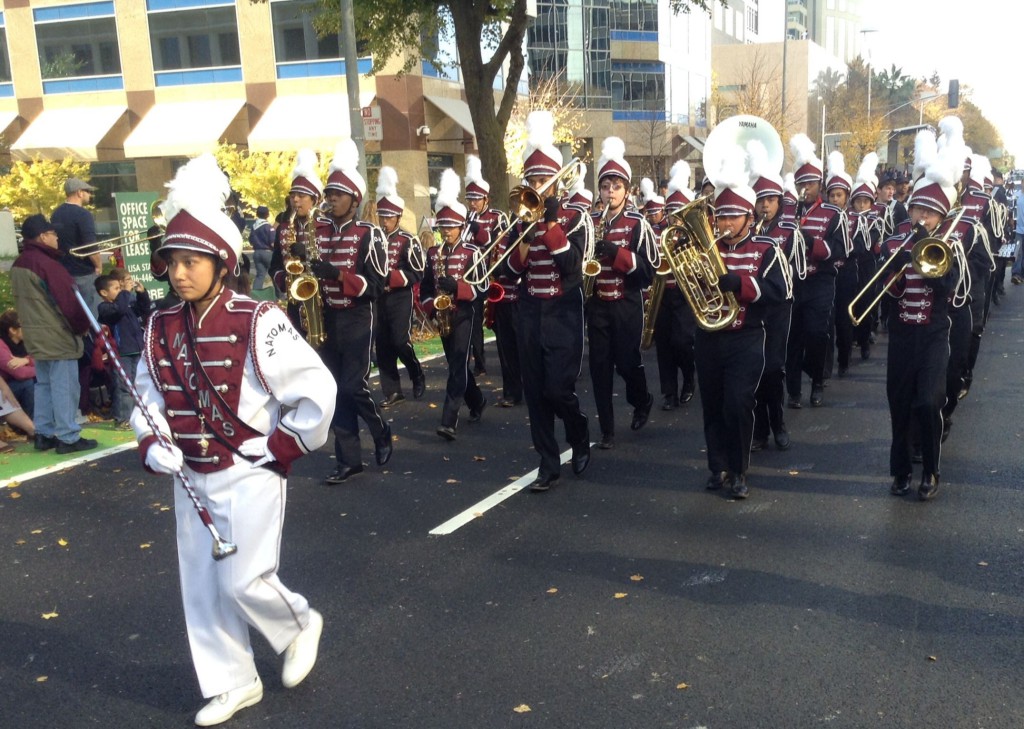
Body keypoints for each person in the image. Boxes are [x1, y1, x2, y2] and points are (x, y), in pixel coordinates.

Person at [129, 154, 336, 726]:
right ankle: (233, 680)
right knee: (202, 585)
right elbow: (147, 396)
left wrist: (285, 446)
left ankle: (298, 623)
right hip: (189, 474)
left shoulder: (257, 318)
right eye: (172, 263)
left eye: (191, 262)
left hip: (249, 466)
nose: (179, 274)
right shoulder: (158, 326)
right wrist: (152, 442)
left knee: (244, 578)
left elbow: (316, 388)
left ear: (220, 262)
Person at [498, 110, 591, 491]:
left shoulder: (576, 217)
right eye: (532, 179)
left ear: (556, 182)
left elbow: (573, 268)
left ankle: (579, 433)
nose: (536, 185)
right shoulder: (520, 220)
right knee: (535, 394)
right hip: (529, 312)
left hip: (563, 312)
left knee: (558, 390)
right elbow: (511, 271)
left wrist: (551, 226)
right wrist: (526, 231)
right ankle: (547, 463)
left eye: (542, 179)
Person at [696, 148, 786, 498]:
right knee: (713, 405)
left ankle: (739, 470)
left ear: (750, 219)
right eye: (722, 217)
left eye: (734, 218)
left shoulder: (766, 250)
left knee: (737, 403)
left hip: (747, 337)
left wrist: (743, 285)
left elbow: (778, 291)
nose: (727, 224)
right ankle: (716, 466)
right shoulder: (707, 251)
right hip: (709, 336)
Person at [305, 139, 393, 483]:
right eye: (328, 194)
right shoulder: (320, 232)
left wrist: (339, 275)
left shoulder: (369, 233)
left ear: (354, 199)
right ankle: (349, 459)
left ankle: (380, 428)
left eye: (337, 195)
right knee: (334, 388)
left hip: (357, 316)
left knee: (353, 385)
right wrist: (304, 259)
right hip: (326, 317)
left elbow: (378, 285)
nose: (330, 200)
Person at [882, 131, 961, 501]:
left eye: (929, 212)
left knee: (929, 401)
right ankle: (900, 471)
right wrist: (894, 266)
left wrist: (933, 265)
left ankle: (930, 469)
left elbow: (953, 291)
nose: (921, 217)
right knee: (899, 402)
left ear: (940, 217)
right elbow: (886, 295)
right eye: (917, 209)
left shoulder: (949, 244)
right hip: (901, 334)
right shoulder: (894, 240)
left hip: (932, 333)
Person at [588, 136, 657, 449]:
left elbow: (648, 271)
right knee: (599, 367)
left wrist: (617, 254)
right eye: (605, 186)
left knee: (627, 364)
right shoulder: (591, 222)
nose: (610, 191)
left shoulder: (637, 223)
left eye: (616, 186)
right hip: (598, 304)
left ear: (626, 191)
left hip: (626, 303)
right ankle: (607, 430)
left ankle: (642, 400)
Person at [10, 214, 97, 454]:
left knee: (44, 384)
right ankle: (68, 436)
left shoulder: (19, 264)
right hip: (56, 334)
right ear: (42, 236)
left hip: (34, 333)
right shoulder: (48, 265)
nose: (57, 237)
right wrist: (82, 326)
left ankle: (44, 433)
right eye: (53, 233)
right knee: (64, 385)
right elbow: (69, 302)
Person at [421, 169, 488, 442]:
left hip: (465, 314)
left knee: (459, 362)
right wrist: (431, 308)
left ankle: (448, 420)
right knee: (456, 365)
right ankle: (477, 401)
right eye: (442, 227)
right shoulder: (433, 253)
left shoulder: (473, 252)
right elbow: (425, 288)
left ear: (461, 226)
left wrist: (457, 289)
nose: (446, 231)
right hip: (443, 316)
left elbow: (482, 288)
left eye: (451, 226)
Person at [786, 134, 848, 408]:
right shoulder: (788, 212)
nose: (805, 188)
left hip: (820, 281)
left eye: (810, 184)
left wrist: (809, 241)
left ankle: (817, 380)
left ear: (819, 185)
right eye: (801, 184)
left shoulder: (833, 214)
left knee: (816, 333)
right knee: (792, 336)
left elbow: (838, 251)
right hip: (793, 281)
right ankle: (794, 391)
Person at [747, 139, 794, 451]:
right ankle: (760, 429)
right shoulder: (746, 231)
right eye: (760, 199)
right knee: (753, 368)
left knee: (773, 368)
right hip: (751, 306)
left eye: (770, 199)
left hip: (778, 304)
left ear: (779, 202)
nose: (765, 205)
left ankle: (777, 423)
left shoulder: (788, 231)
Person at [465, 155, 521, 406]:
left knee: (520, 342)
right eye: (470, 199)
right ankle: (509, 389)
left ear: (486, 198)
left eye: (477, 198)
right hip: (480, 283)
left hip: (508, 285)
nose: (473, 203)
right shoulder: (464, 220)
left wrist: (479, 231)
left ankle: (527, 387)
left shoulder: (499, 218)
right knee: (502, 341)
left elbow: (498, 245)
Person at [374, 166, 427, 407]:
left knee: (399, 341)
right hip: (377, 298)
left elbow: (417, 272)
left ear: (398, 216)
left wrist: (391, 278)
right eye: (381, 216)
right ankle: (393, 391)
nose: (384, 221)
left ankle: (416, 371)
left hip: (399, 296)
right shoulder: (373, 238)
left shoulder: (409, 240)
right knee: (382, 344)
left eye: (388, 217)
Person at [96, 269, 151, 429]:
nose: (120, 292)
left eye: (120, 288)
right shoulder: (105, 308)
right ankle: (122, 418)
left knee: (138, 383)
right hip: (122, 351)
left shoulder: (126, 302)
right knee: (124, 386)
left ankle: (138, 415)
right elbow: (118, 310)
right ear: (104, 292)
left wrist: (141, 294)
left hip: (136, 348)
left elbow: (144, 310)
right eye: (116, 289)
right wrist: (125, 292)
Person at [824, 151, 856, 376]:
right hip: (828, 273)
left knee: (843, 320)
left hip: (846, 273)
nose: (835, 199)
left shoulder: (855, 218)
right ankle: (824, 368)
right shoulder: (824, 218)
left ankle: (844, 359)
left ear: (847, 196)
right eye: (832, 195)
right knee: (826, 323)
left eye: (839, 195)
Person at [50, 177, 102, 317]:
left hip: (63, 271)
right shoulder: (83, 214)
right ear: (79, 192)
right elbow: (91, 246)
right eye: (87, 191)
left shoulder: (56, 214)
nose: (90, 195)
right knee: (91, 314)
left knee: (72, 313)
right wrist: (98, 265)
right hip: (83, 272)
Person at [848, 153, 882, 361]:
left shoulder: (875, 220)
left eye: (865, 202)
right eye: (858, 201)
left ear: (871, 202)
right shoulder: (847, 218)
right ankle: (850, 338)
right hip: (851, 267)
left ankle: (864, 341)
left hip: (868, 265)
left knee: (866, 304)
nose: (861, 205)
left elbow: (868, 243)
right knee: (850, 302)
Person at [0, 309, 37, 419]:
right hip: (4, 389)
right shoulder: (2, 346)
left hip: (14, 385)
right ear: (12, 330)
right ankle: (34, 425)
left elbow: (42, 358)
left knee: (41, 381)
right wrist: (40, 370)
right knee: (28, 383)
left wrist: (27, 360)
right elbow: (20, 373)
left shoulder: (25, 342)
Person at [249, 205, 274, 290]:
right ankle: (280, 296)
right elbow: (273, 242)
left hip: (256, 253)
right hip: (267, 253)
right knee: (274, 273)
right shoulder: (268, 226)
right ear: (267, 215)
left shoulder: (254, 226)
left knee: (260, 275)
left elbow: (251, 240)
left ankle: (256, 294)